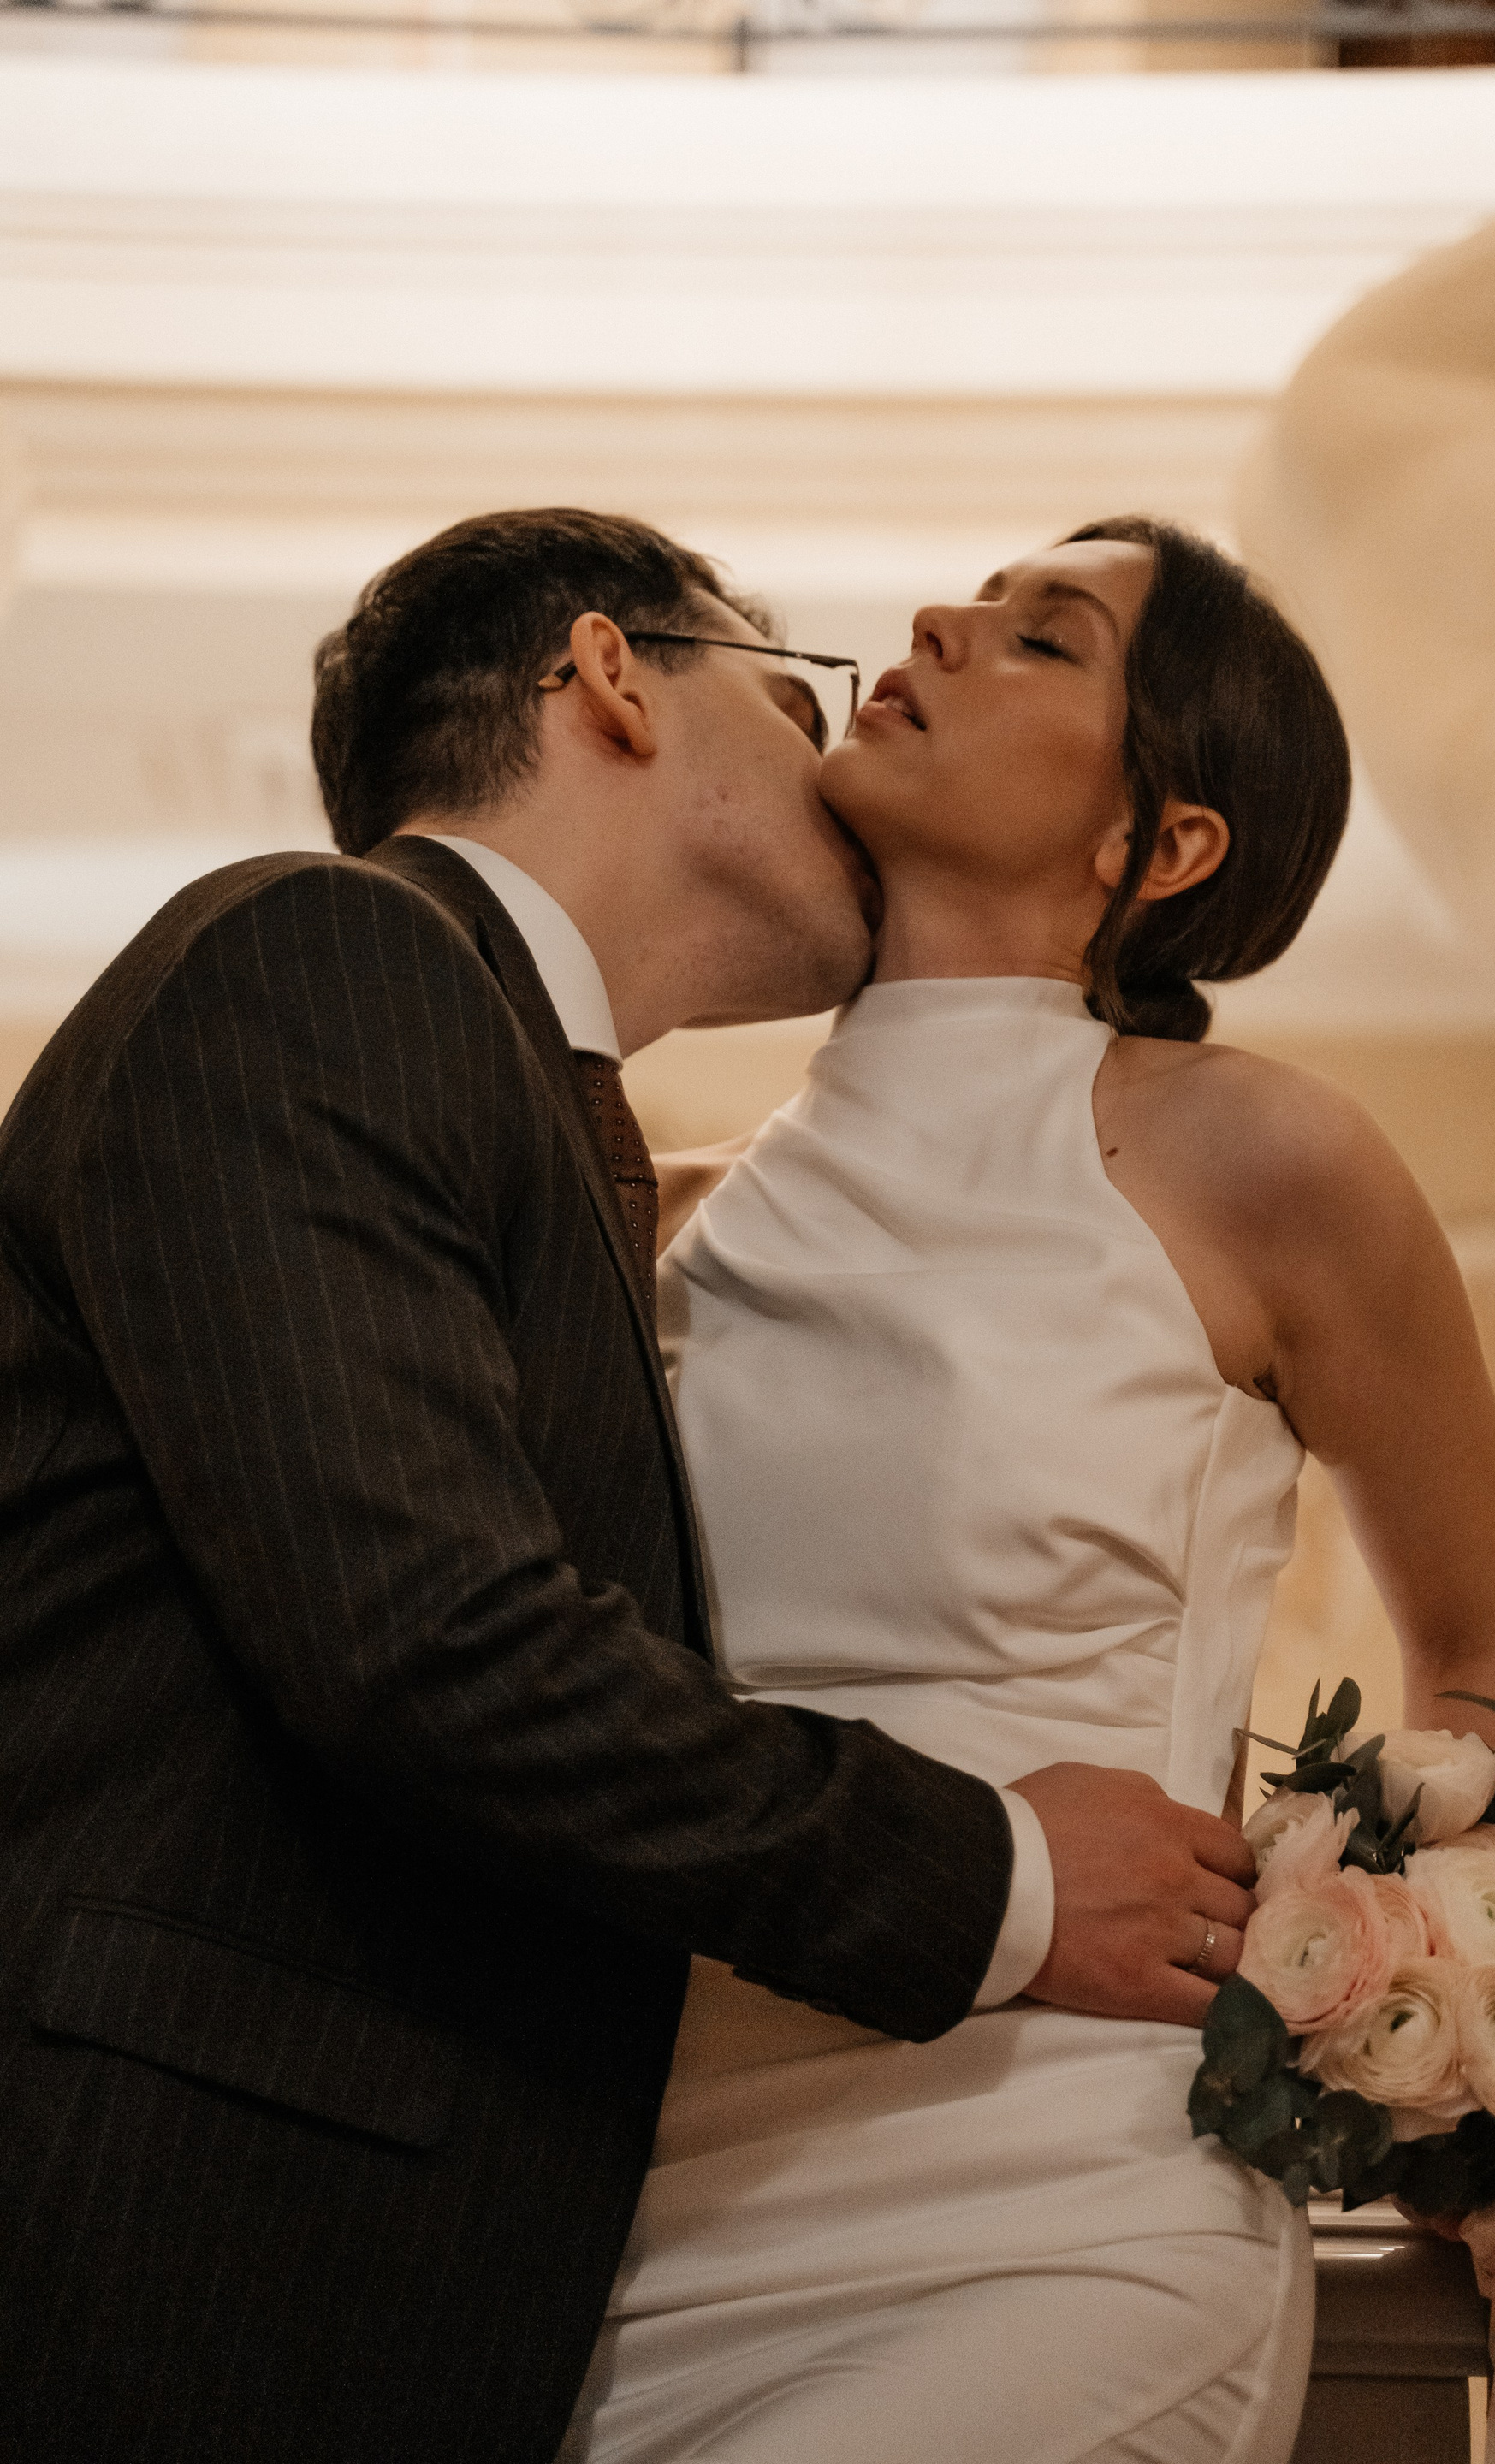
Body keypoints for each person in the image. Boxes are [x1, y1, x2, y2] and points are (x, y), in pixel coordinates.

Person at [0, 508, 1253, 2464]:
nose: (846, 759)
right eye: (800, 698)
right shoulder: (324, 953)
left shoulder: (556, 1130)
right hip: (159, 2236)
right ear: (613, 682)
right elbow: (434, 1645)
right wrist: (1002, 1877)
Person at [564, 517, 1495, 2464]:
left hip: (1059, 2201)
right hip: (639, 2211)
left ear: (1166, 842)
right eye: (975, 602)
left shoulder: (1267, 1162)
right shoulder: (658, 1221)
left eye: (1043, 638)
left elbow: (1482, 1649)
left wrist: (1439, 2074)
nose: (941, 622)